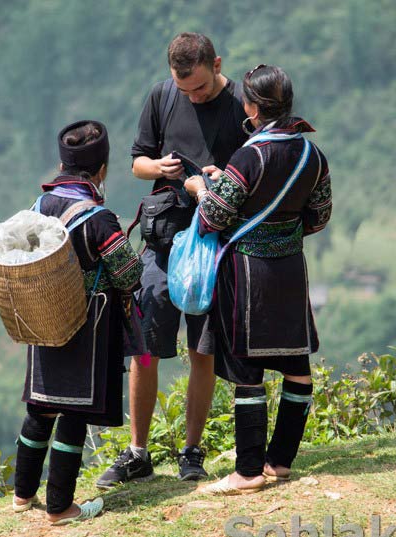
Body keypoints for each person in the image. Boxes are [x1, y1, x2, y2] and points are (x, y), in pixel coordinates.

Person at [97, 32, 249, 488]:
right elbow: (136, 163)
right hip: (163, 243)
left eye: (200, 88)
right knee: (145, 349)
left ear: (216, 63)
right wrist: (160, 169)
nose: (192, 96)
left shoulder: (243, 102)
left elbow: (253, 169)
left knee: (201, 350)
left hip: (214, 243)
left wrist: (217, 180)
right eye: (185, 90)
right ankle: (138, 452)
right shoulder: (163, 96)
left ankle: (191, 452)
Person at [183, 64, 332, 495]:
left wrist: (200, 189)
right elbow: (319, 216)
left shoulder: (249, 155)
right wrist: (283, 231)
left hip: (246, 272)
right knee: (295, 364)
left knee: (246, 371)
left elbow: (213, 218)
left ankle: (247, 471)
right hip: (290, 268)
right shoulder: (311, 156)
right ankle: (280, 462)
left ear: (251, 106)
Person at [12, 120, 143, 523]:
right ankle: (60, 507)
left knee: (40, 407)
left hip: (42, 319)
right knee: (72, 413)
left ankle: (22, 495)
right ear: (100, 170)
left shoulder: (38, 208)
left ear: (62, 163)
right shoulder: (98, 218)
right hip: (86, 327)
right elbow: (129, 274)